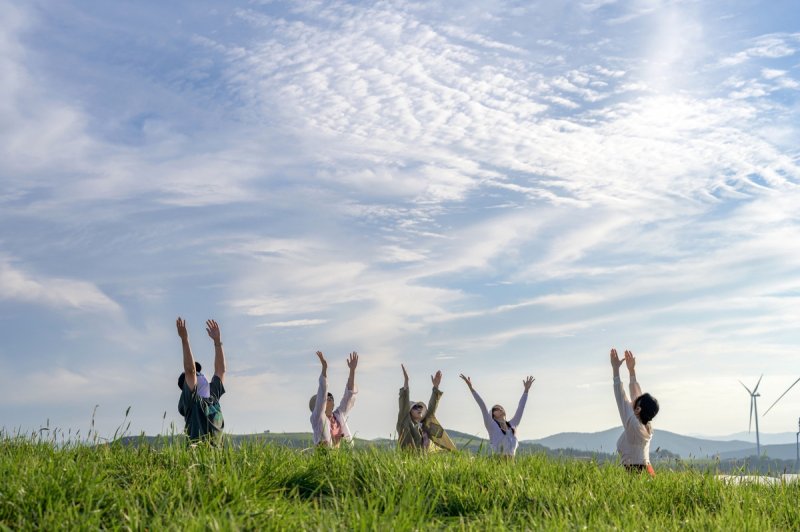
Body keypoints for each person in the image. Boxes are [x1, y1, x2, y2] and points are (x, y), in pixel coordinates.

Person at [176, 317, 226, 444]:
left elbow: (220, 370)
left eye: (200, 372)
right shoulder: (192, 400)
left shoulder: (213, 395)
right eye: (197, 374)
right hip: (197, 459)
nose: (200, 374)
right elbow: (190, 370)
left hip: (217, 461)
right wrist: (184, 339)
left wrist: (217, 341)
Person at [459, 373, 534, 457]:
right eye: (497, 409)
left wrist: (526, 390)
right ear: (492, 414)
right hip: (497, 463)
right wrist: (471, 388)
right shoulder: (491, 425)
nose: (500, 409)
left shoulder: (513, 425)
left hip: (511, 466)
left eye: (501, 408)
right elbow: (482, 406)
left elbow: (521, 408)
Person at [610, 348, 659, 476]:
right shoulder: (647, 425)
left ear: (638, 409)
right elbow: (636, 396)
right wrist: (631, 371)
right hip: (647, 470)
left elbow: (620, 397)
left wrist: (615, 370)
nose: (632, 402)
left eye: (635, 404)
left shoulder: (633, 423)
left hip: (633, 472)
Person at [396, 364, 456, 452]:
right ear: (409, 412)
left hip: (423, 461)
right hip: (407, 460)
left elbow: (431, 409)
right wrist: (406, 382)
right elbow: (403, 406)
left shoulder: (425, 425)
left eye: (420, 406)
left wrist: (435, 388)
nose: (419, 408)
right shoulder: (405, 422)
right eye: (415, 407)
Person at [309, 350, 359, 447]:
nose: (330, 398)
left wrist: (352, 371)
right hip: (325, 458)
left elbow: (348, 396)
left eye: (331, 397)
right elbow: (322, 393)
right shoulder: (318, 418)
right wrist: (324, 369)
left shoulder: (338, 415)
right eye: (327, 397)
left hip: (340, 457)